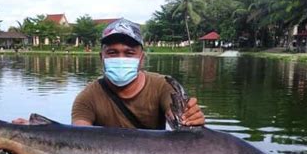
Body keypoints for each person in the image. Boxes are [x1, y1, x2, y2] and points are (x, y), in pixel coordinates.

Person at [13, 18, 205, 128]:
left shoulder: (164, 86)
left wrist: (190, 120)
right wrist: (36, 134)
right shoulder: (87, 97)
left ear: (141, 58)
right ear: (101, 57)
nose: (121, 57)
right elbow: (79, 138)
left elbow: (178, 120)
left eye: (129, 53)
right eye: (112, 52)